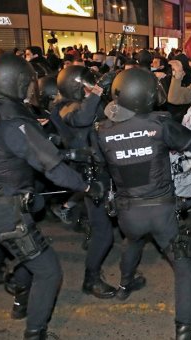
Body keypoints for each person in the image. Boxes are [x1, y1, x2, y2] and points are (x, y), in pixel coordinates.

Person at [0, 53, 101, 340]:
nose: (31, 87)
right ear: (14, 82)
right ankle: (35, 332)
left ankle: (20, 303)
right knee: (49, 271)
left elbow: (6, 152)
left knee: (28, 255)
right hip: (4, 209)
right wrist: (87, 187)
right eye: (27, 82)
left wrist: (61, 149)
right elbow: (51, 168)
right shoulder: (12, 121)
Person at [96, 67, 191, 339]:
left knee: (132, 242)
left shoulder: (103, 130)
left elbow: (100, 165)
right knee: (184, 263)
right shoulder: (159, 124)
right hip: (161, 210)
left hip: (128, 212)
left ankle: (125, 285)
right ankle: (184, 327)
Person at [50, 65, 117, 299]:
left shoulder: (73, 103)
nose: (91, 90)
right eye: (87, 86)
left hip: (99, 169)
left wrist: (104, 91)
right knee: (104, 233)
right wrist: (98, 90)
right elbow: (83, 118)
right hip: (91, 174)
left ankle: (88, 228)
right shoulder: (66, 108)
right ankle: (91, 279)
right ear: (76, 87)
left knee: (103, 218)